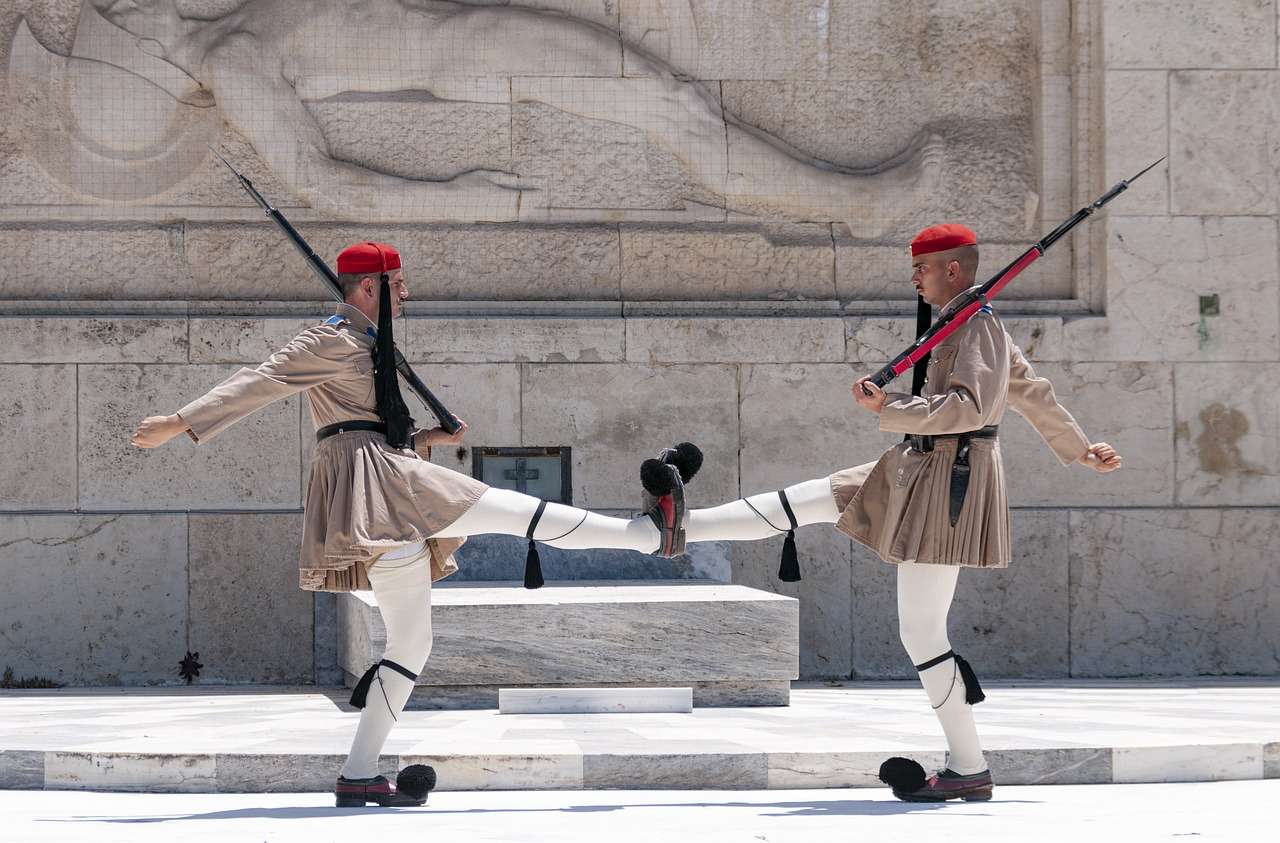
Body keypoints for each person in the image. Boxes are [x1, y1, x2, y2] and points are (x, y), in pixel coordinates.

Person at [131, 240, 692, 807]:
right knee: (504, 507)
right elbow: (263, 379)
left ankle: (359, 773)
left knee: (412, 642)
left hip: (381, 477)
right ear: (369, 286)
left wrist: (425, 439)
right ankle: (646, 535)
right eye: (396, 283)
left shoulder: (367, 341)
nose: (406, 292)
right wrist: (181, 422)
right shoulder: (331, 337)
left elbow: (365, 420)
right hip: (376, 481)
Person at [670, 223, 1122, 802]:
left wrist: (892, 405)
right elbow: (1031, 389)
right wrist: (1079, 448)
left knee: (922, 632)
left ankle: (968, 765)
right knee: (811, 497)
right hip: (916, 465)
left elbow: (972, 407)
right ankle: (682, 523)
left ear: (953, 269)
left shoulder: (976, 323)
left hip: (948, 482)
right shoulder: (966, 319)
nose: (914, 277)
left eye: (923, 268)